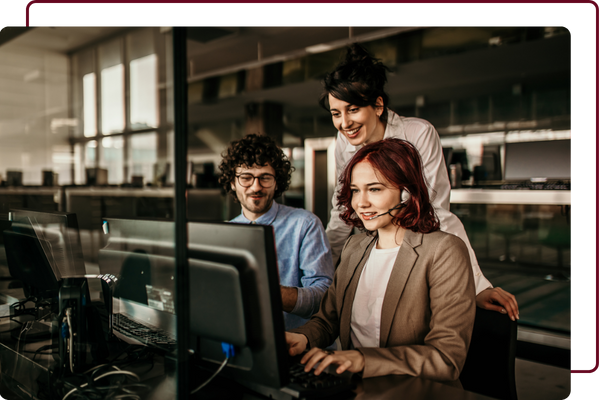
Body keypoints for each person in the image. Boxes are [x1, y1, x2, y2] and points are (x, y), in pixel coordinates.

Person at [320, 43, 519, 321]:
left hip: (416, 252)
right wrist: (321, 270)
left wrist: (478, 285)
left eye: (352, 110)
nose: (344, 123)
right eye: (335, 114)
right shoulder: (344, 142)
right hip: (372, 250)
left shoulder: (418, 133)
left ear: (378, 105)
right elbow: (342, 211)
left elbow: (436, 211)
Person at [286, 138, 476, 382]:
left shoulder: (444, 251)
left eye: (374, 189)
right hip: (355, 386)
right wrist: (301, 338)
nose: (361, 202)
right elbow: (328, 320)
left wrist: (363, 360)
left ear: (406, 193)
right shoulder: (355, 247)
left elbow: (446, 358)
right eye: (355, 190)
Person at [218, 133, 334, 330]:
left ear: (277, 182)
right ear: (232, 181)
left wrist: (266, 291)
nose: (256, 187)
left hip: (296, 348)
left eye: (265, 177)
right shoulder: (223, 233)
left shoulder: (305, 224)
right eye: (246, 177)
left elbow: (323, 298)